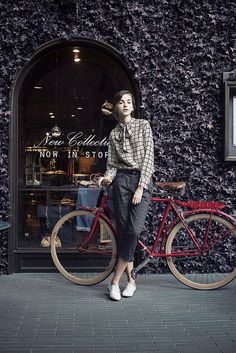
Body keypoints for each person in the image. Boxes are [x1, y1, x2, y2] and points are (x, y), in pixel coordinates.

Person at [99, 90, 154, 301]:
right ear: (116, 107)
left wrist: (141, 187)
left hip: (141, 180)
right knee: (123, 233)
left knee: (133, 231)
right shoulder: (113, 134)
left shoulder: (143, 125)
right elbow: (112, 166)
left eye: (129, 102)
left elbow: (149, 158)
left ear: (133, 106)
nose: (126, 105)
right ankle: (131, 282)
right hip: (120, 182)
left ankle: (114, 282)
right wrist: (106, 178)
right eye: (121, 102)